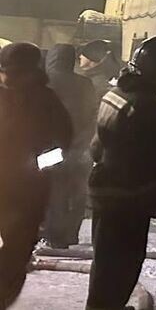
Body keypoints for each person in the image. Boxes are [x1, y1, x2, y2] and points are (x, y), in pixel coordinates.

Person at [86, 36, 156, 310]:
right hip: (128, 200)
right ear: (154, 68)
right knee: (123, 264)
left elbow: (96, 147)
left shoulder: (115, 93)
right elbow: (152, 159)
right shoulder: (146, 104)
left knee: (105, 263)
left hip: (105, 192)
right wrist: (153, 195)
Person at [0, 42, 73, 310]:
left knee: (16, 254)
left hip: (28, 195)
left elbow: (62, 147)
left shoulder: (48, 103)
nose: (9, 78)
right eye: (5, 72)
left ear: (32, 72)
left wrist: (36, 166)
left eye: (16, 73)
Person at [43, 43, 100, 248]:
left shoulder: (44, 84)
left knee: (52, 192)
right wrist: (82, 143)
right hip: (80, 150)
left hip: (49, 151)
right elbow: (94, 115)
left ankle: (53, 235)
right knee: (77, 193)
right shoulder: (85, 84)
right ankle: (70, 234)